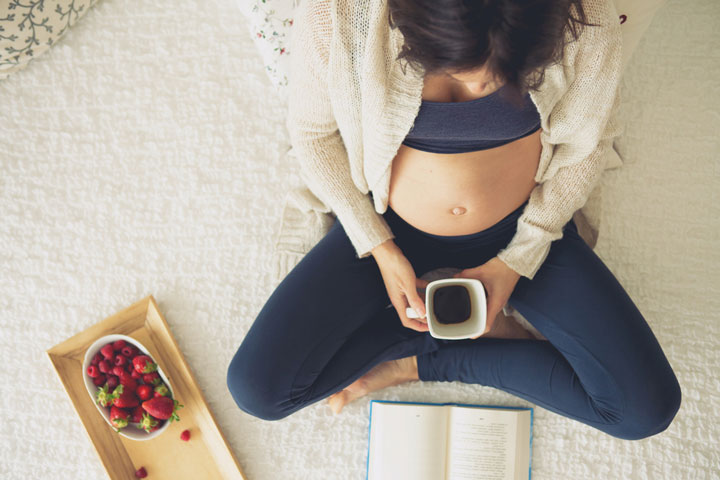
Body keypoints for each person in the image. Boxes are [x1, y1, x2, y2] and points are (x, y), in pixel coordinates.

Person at [226, 0, 681, 440]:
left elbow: (585, 149)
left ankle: (425, 361)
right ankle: (436, 342)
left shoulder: (580, 15)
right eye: (465, 66)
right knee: (258, 390)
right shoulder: (345, 12)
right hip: (390, 225)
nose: (486, 85)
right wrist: (378, 246)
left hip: (523, 226)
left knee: (643, 409)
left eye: (508, 70)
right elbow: (313, 135)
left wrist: (520, 258)